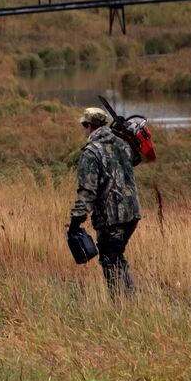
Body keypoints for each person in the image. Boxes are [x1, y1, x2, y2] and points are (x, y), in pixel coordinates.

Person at [69, 107, 141, 296]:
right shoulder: (123, 144)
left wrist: (76, 221)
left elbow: (87, 192)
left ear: (88, 126)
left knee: (111, 260)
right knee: (116, 256)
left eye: (84, 125)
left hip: (111, 217)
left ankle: (124, 304)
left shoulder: (90, 153)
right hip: (132, 213)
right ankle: (127, 302)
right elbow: (136, 160)